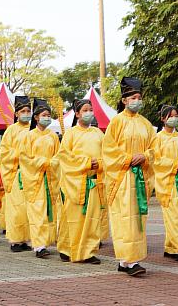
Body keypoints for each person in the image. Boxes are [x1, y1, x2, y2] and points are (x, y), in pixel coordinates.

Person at [103, 76, 156, 278]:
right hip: (122, 177)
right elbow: (108, 150)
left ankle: (127, 261)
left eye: (139, 97)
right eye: (133, 97)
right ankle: (128, 260)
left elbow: (155, 148)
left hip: (140, 177)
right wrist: (127, 159)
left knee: (137, 219)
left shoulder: (146, 124)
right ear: (124, 100)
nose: (137, 101)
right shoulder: (116, 122)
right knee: (124, 218)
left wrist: (146, 156)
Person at [57, 99, 104, 264]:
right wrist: (86, 163)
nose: (89, 112)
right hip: (76, 183)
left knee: (92, 219)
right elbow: (64, 157)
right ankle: (67, 248)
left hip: (94, 182)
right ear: (77, 114)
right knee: (73, 218)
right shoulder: (70, 134)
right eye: (85, 110)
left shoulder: (98, 133)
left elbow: (107, 154)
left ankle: (88, 251)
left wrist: (100, 164)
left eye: (90, 109)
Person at [20, 98, 61, 258]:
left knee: (49, 211)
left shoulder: (53, 136)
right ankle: (39, 246)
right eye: (44, 115)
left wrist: (52, 163)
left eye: (49, 115)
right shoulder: (29, 136)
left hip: (50, 178)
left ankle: (47, 241)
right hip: (35, 179)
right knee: (37, 211)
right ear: (36, 117)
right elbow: (25, 158)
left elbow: (59, 155)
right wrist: (42, 162)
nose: (47, 118)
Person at [152, 105, 178, 262]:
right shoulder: (157, 138)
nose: (174, 118)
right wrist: (174, 165)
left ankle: (171, 247)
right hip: (167, 183)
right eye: (170, 116)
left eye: (176, 115)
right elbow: (156, 160)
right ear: (163, 119)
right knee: (174, 216)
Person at [0, 96, 33, 253]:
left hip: (32, 174)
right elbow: (5, 153)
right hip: (16, 172)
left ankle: (26, 239)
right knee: (16, 209)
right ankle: (15, 240)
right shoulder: (11, 130)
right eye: (23, 111)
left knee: (28, 208)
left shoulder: (34, 129)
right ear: (17, 114)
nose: (26, 114)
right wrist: (21, 153)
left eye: (28, 111)